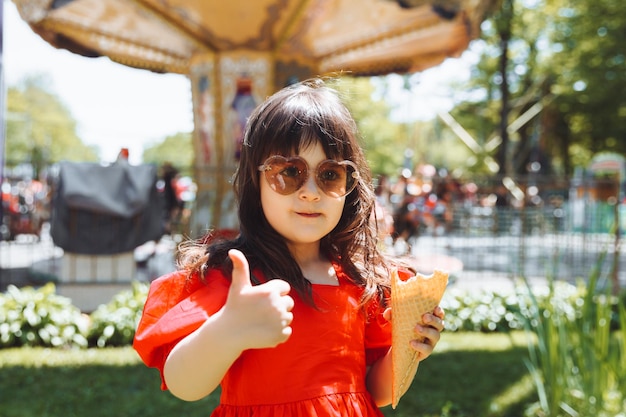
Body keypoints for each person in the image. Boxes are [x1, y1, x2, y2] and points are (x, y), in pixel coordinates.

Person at [133, 78, 445, 416]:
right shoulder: (235, 276)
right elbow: (184, 385)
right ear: (256, 181)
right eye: (289, 172)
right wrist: (229, 328)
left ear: (350, 186)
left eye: (330, 175)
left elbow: (373, 392)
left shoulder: (359, 281)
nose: (310, 192)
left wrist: (408, 349)